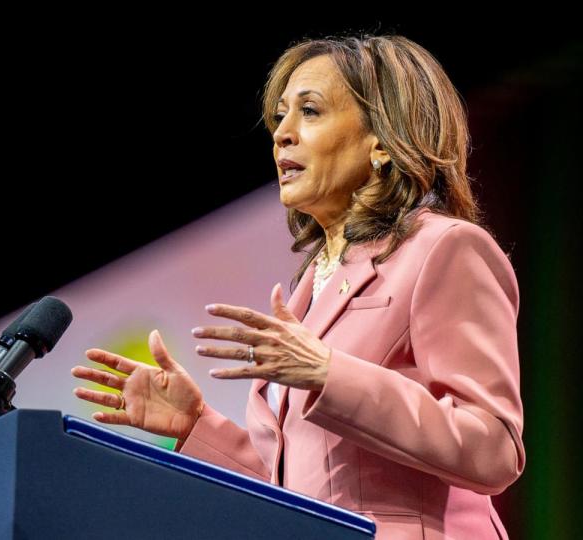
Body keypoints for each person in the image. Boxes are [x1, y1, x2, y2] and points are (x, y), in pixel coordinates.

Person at [71, 35, 523, 539]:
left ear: (381, 139)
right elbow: (302, 492)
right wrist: (196, 424)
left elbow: (494, 449)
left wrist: (330, 372)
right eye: (279, 117)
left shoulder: (445, 248)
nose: (282, 134)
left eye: (309, 111)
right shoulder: (311, 287)